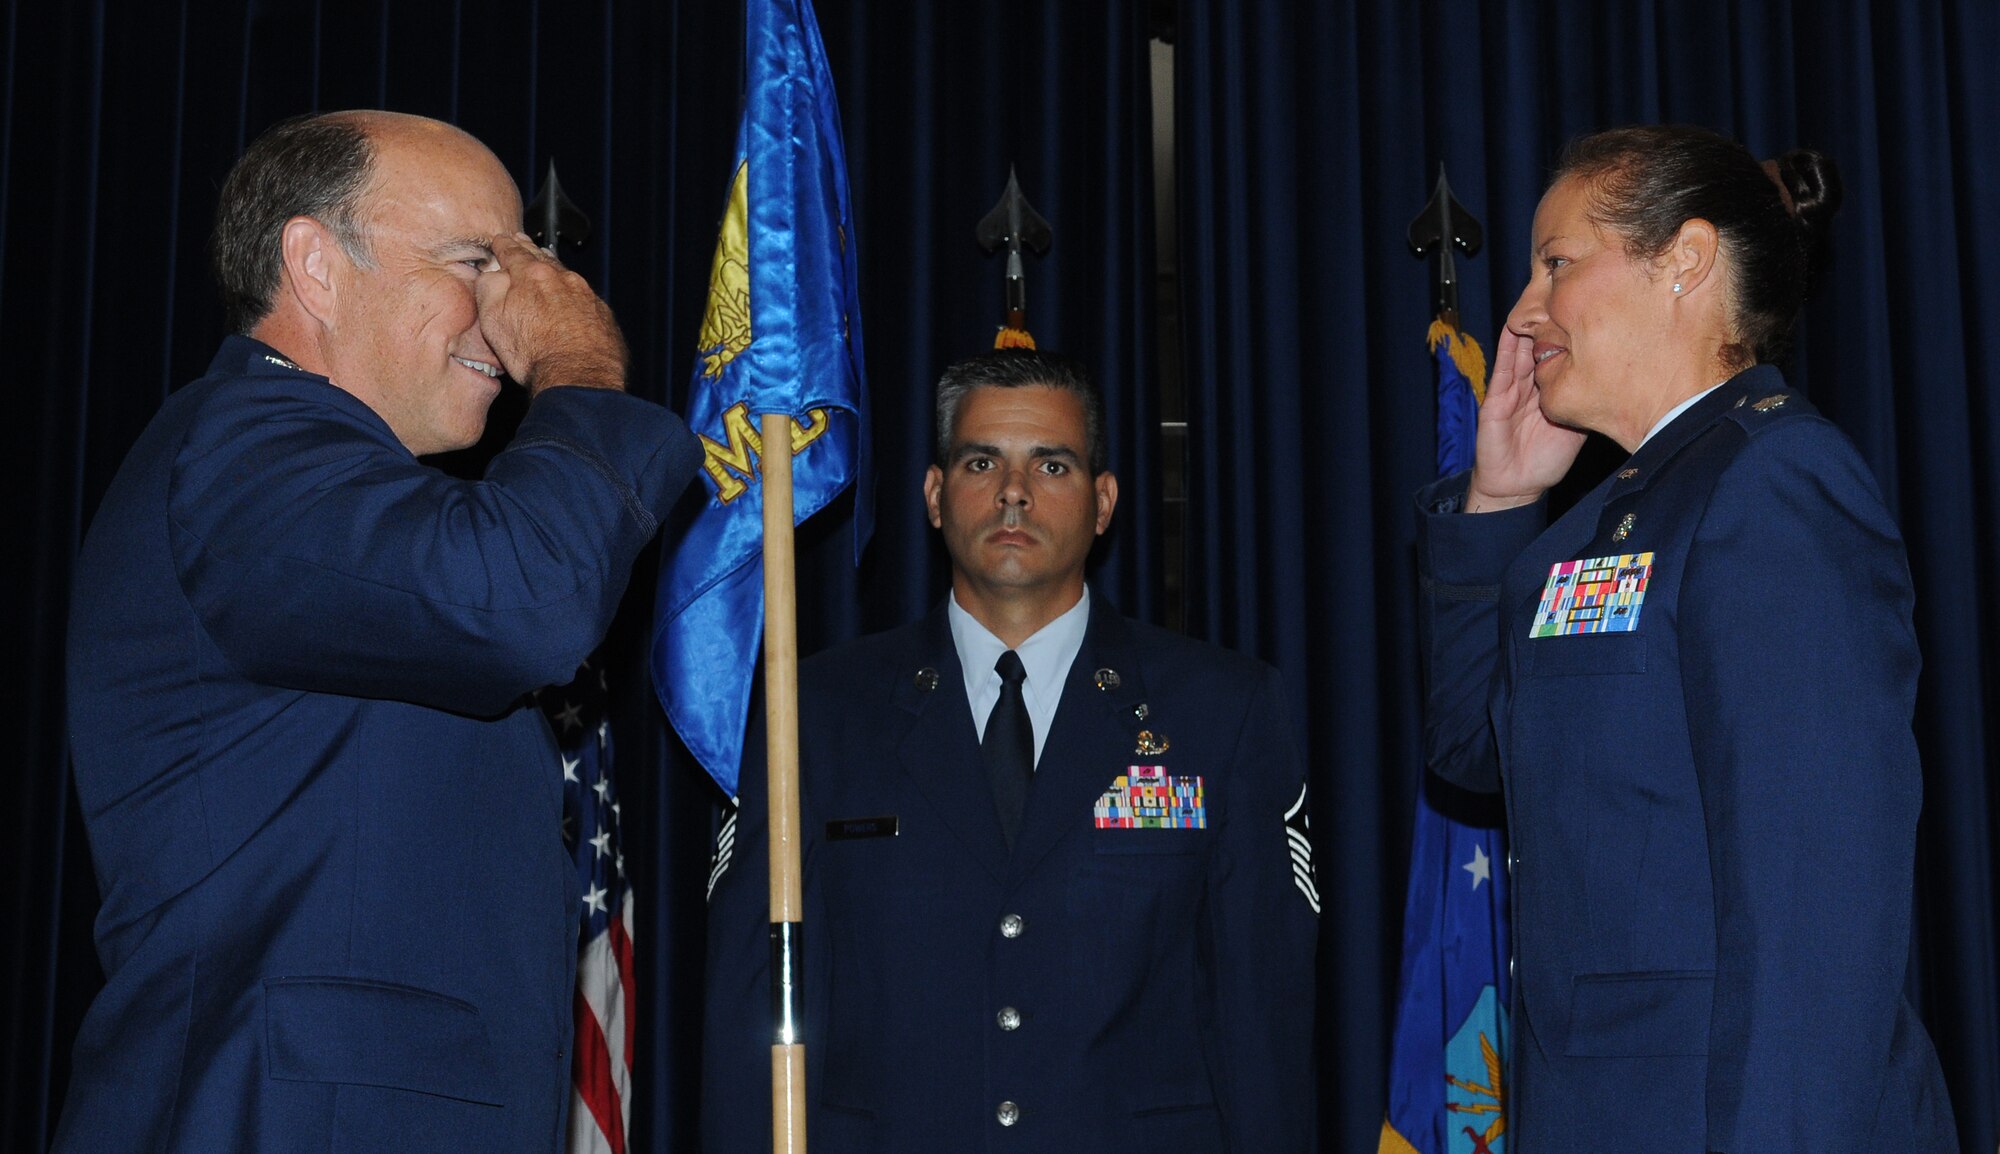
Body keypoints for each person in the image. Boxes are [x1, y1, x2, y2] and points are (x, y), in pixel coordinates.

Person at [58, 111, 701, 1152]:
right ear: (314, 264)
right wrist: (579, 361)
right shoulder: (243, 450)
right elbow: (529, 596)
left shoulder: (339, 492)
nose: (509, 312)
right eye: (474, 263)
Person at [1415, 124, 1955, 1152]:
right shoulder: (1593, 524)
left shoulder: (1773, 483)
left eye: (1556, 263)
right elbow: (1469, 749)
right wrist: (1494, 503)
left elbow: (1809, 914)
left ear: (1685, 261)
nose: (1523, 312)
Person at [701, 349, 1319, 1152]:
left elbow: (1263, 1022)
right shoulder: (813, 714)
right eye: (981, 460)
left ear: (1104, 503)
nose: (1014, 492)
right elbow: (750, 1011)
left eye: (1052, 464)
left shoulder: (1222, 711)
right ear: (933, 495)